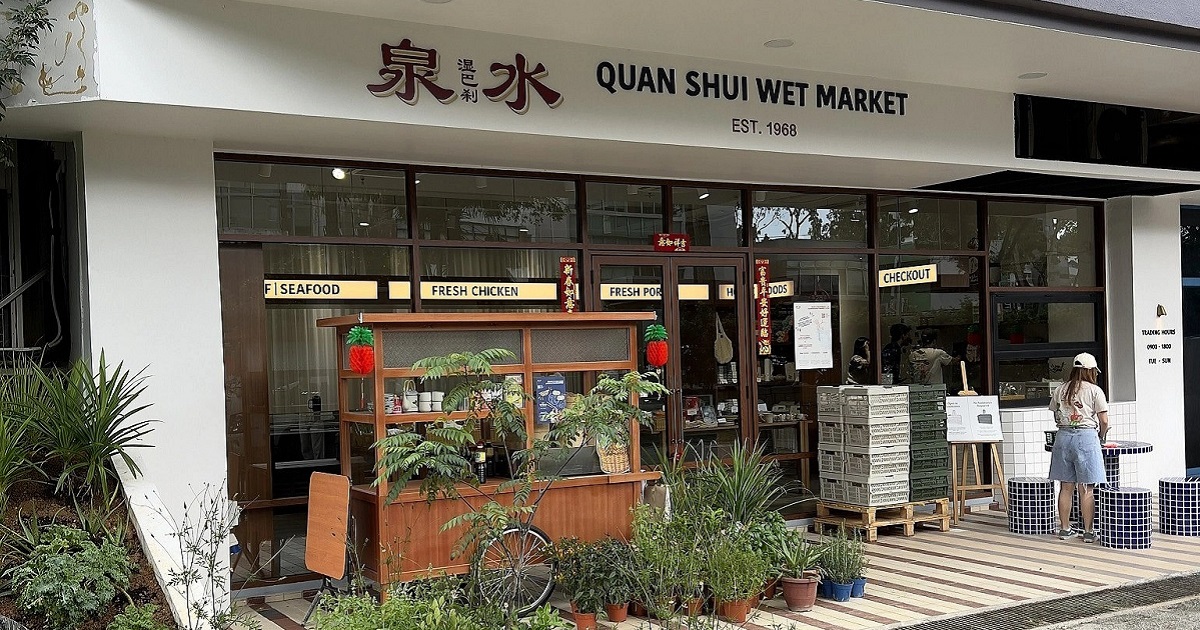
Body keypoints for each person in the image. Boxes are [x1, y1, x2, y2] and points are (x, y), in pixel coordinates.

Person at [1048, 352, 1109, 543]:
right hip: (1087, 437)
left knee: (1065, 487)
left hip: (1063, 437)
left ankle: (1065, 529)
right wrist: (1101, 435)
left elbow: (1055, 414)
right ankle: (1089, 532)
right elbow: (1104, 420)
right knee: (1087, 488)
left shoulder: (1060, 389)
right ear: (1090, 371)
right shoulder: (1094, 391)